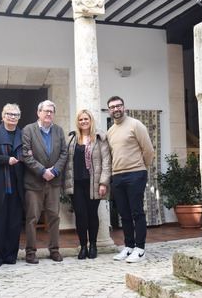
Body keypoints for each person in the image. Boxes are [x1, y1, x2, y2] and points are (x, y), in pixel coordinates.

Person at [106, 96, 154, 263]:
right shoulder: (110, 132)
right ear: (109, 111)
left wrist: (141, 168)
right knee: (124, 214)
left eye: (119, 105)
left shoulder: (135, 125)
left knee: (136, 212)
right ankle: (129, 246)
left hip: (135, 174)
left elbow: (148, 150)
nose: (116, 109)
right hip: (117, 176)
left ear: (124, 107)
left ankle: (140, 249)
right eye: (112, 107)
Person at [22, 100, 67, 264]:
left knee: (54, 217)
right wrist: (42, 171)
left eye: (51, 111)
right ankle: (30, 252)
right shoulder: (28, 130)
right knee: (32, 218)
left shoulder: (59, 131)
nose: (49, 114)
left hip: (53, 183)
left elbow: (64, 153)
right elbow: (26, 155)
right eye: (46, 111)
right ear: (38, 112)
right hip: (34, 183)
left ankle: (54, 250)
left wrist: (54, 171)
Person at [64, 110, 111, 259]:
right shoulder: (72, 139)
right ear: (77, 122)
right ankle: (83, 246)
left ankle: (93, 245)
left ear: (91, 121)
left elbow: (106, 162)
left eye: (86, 119)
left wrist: (103, 183)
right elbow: (66, 162)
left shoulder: (99, 138)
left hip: (94, 183)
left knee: (92, 215)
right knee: (80, 215)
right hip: (76, 184)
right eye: (81, 119)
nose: (83, 121)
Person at [0, 103, 24, 267]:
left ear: (19, 117)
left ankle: (10, 255)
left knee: (14, 223)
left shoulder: (23, 134)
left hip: (17, 186)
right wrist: (6, 160)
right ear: (2, 116)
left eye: (15, 115)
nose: (12, 117)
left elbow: (28, 154)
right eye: (9, 114)